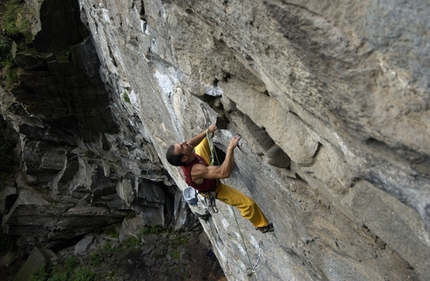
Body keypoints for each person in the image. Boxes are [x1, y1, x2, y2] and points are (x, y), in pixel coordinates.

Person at [166, 124, 274, 233]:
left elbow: (191, 143)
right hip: (214, 189)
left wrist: (207, 131)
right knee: (248, 204)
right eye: (182, 146)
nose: (184, 143)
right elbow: (224, 173)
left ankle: (209, 134)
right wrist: (230, 148)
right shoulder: (196, 170)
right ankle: (262, 226)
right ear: (184, 158)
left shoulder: (185, 155)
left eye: (180, 144)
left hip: (198, 161)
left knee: (205, 139)